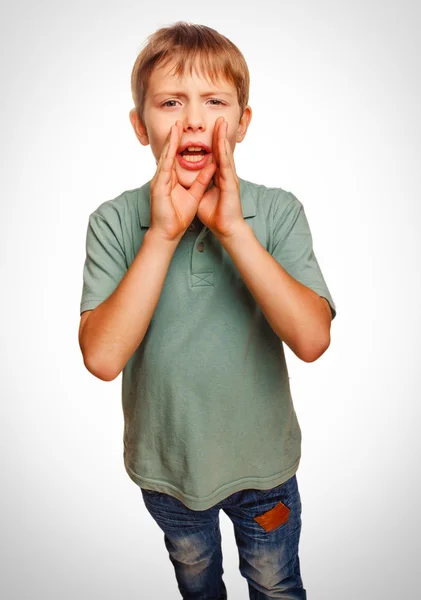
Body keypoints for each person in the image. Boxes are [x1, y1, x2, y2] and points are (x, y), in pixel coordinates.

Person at [79, 21, 336, 600]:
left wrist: (234, 231)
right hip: (168, 473)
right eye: (171, 102)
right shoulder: (116, 223)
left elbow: (313, 340)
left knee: (275, 583)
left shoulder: (277, 213)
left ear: (242, 123)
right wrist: (163, 235)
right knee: (197, 583)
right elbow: (101, 356)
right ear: (141, 126)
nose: (193, 119)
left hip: (264, 471)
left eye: (214, 101)